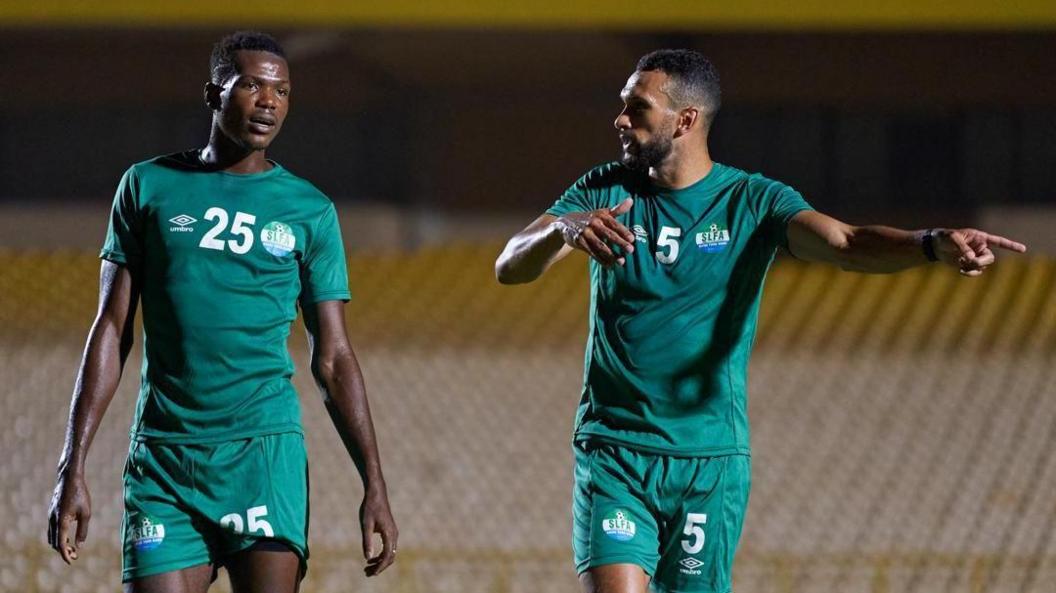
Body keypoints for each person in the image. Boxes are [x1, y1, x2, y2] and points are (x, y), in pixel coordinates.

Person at [495, 49, 1026, 593]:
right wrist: (562, 228)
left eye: (638, 107)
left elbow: (846, 242)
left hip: (708, 461)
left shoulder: (751, 201)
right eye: (622, 105)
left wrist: (931, 244)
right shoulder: (604, 189)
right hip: (616, 450)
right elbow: (508, 265)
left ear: (685, 120)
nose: (621, 119)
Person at [46, 31, 398, 593]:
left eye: (281, 92)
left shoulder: (309, 210)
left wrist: (373, 483)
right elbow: (111, 330)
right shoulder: (146, 186)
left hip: (263, 454)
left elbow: (333, 357)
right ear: (214, 94)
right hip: (163, 462)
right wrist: (73, 467)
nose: (268, 102)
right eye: (253, 86)